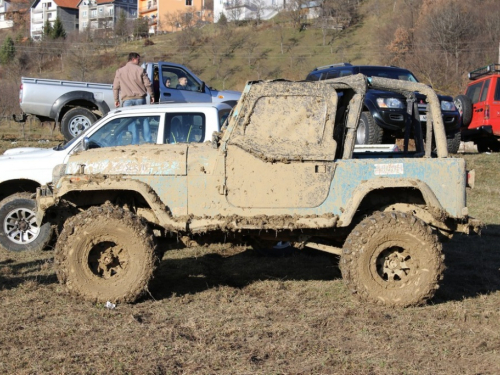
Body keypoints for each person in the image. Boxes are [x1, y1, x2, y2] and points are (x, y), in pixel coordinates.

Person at [113, 52, 154, 142]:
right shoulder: (140, 70)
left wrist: (116, 99)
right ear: (133, 59)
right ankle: (148, 140)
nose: (139, 61)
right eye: (138, 59)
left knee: (131, 121)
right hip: (140, 99)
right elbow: (148, 84)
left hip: (127, 100)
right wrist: (152, 95)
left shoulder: (119, 71)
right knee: (144, 120)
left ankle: (134, 141)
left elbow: (115, 87)